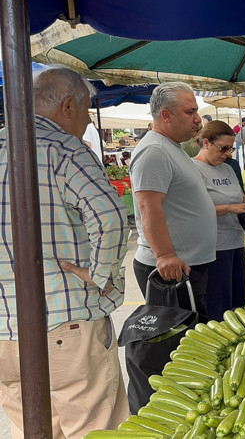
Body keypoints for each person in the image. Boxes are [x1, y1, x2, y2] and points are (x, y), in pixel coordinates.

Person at [0, 67, 130, 438]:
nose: (89, 120)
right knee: (94, 428)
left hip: (5, 334)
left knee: (33, 428)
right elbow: (110, 218)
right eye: (88, 110)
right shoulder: (63, 149)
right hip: (67, 324)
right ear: (68, 105)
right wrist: (101, 275)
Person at [131, 82, 216, 315]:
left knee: (193, 338)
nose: (198, 119)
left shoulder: (170, 146)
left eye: (196, 111)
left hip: (186, 266)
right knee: (178, 342)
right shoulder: (154, 151)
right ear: (166, 115)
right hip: (171, 270)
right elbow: (148, 206)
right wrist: (165, 255)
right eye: (190, 112)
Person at [192, 120, 245, 317]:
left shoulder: (228, 168)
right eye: (223, 148)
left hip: (236, 244)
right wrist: (229, 208)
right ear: (206, 143)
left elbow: (241, 196)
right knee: (218, 308)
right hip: (212, 250)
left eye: (230, 149)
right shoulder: (192, 169)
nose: (227, 154)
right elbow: (193, 210)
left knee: (237, 305)